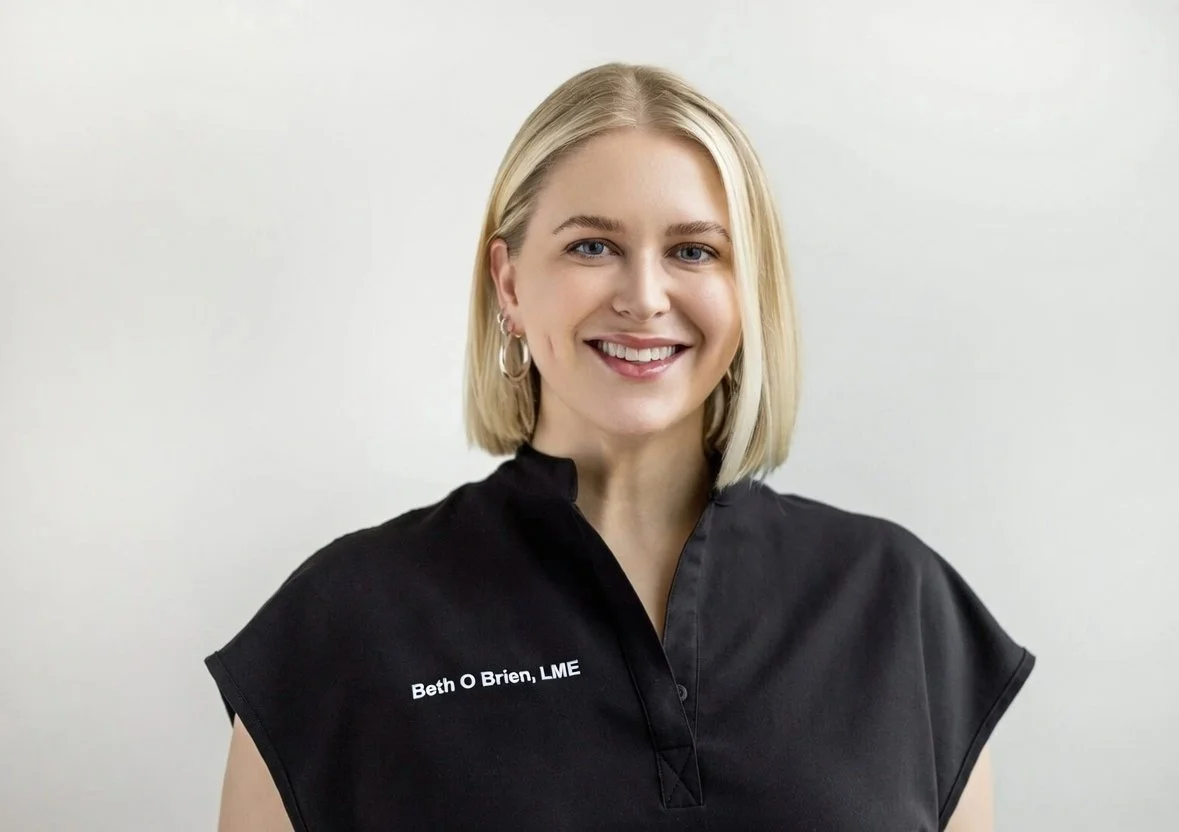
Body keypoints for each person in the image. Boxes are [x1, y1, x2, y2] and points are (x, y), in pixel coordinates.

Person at [205, 62, 1035, 831]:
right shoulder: (342, 622)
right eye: (592, 246)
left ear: (748, 290)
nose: (644, 297)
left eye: (693, 251)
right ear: (509, 283)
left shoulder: (897, 605)